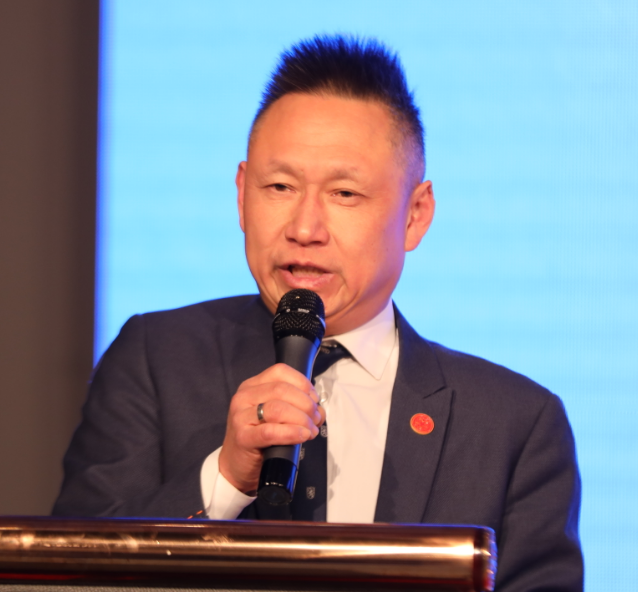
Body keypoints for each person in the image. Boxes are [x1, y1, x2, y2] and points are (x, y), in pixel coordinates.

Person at [53, 36, 583, 590]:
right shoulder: (155, 359)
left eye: (345, 194)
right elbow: (67, 575)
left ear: (415, 215)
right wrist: (225, 480)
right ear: (242, 194)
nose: (305, 228)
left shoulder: (514, 425)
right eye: (280, 186)